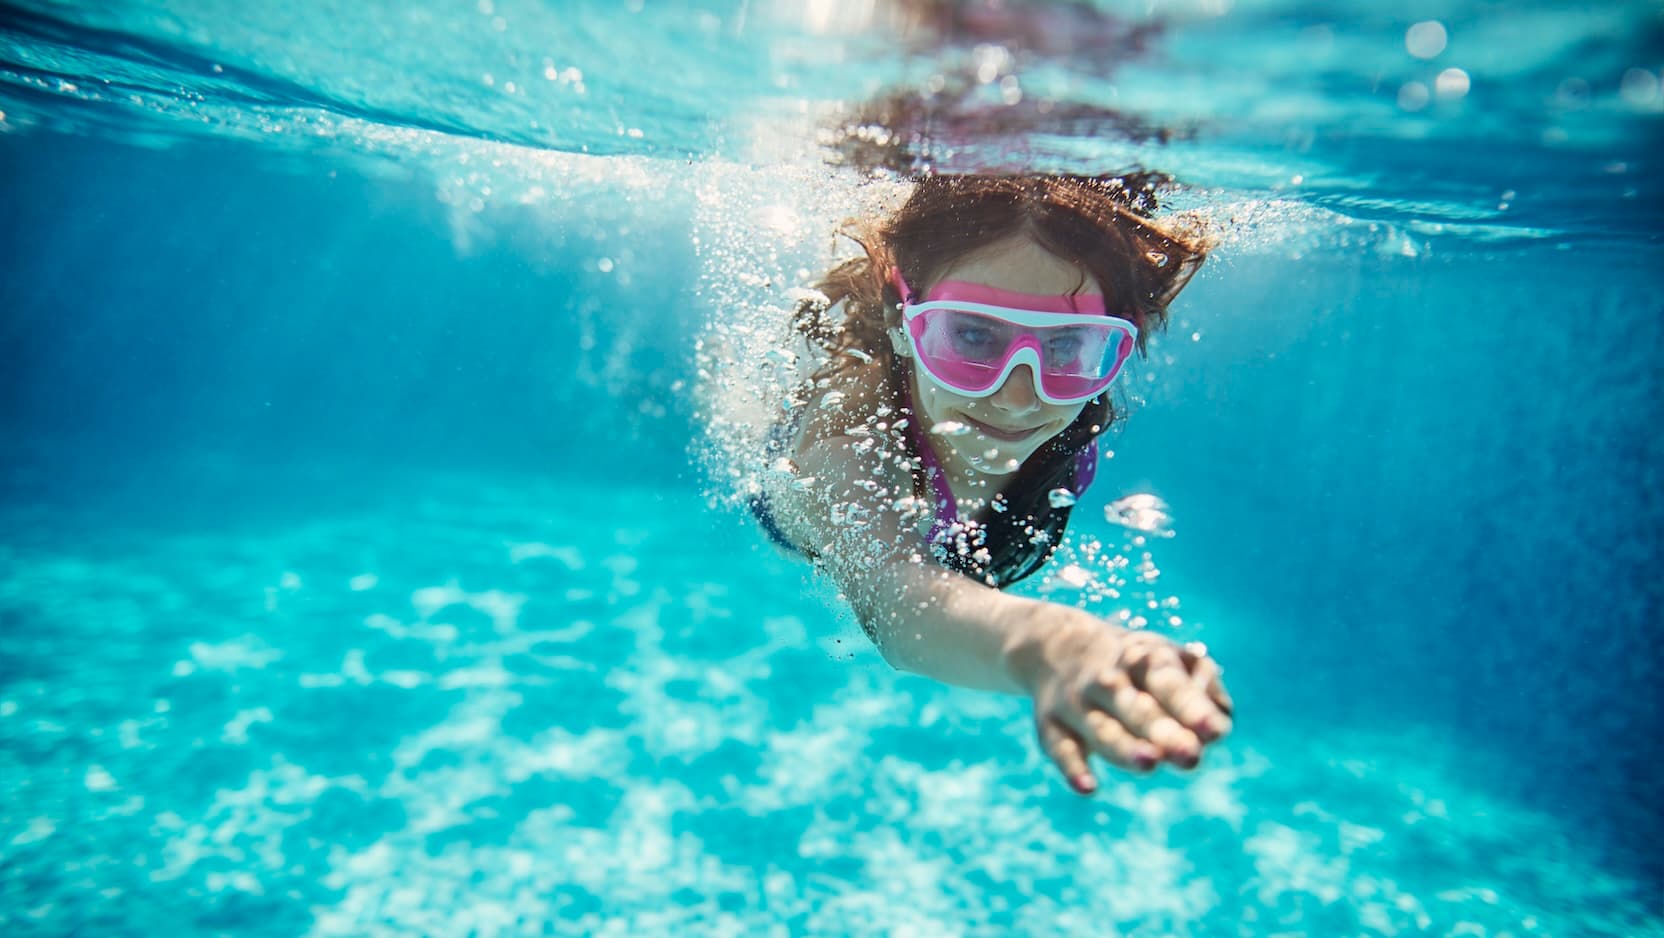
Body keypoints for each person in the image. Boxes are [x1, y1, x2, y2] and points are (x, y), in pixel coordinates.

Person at [752, 173, 1233, 795]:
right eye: (974, 334)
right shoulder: (846, 449)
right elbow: (900, 602)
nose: (1018, 396)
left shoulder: (1070, 429)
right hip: (784, 485)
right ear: (902, 317)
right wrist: (1058, 646)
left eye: (1068, 345)